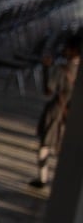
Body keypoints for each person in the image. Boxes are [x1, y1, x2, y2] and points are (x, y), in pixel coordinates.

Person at [34, 36, 80, 188]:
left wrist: (47, 68)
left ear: (73, 50)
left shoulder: (62, 70)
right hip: (72, 112)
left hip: (57, 110)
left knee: (45, 144)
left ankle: (43, 178)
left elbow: (48, 91)